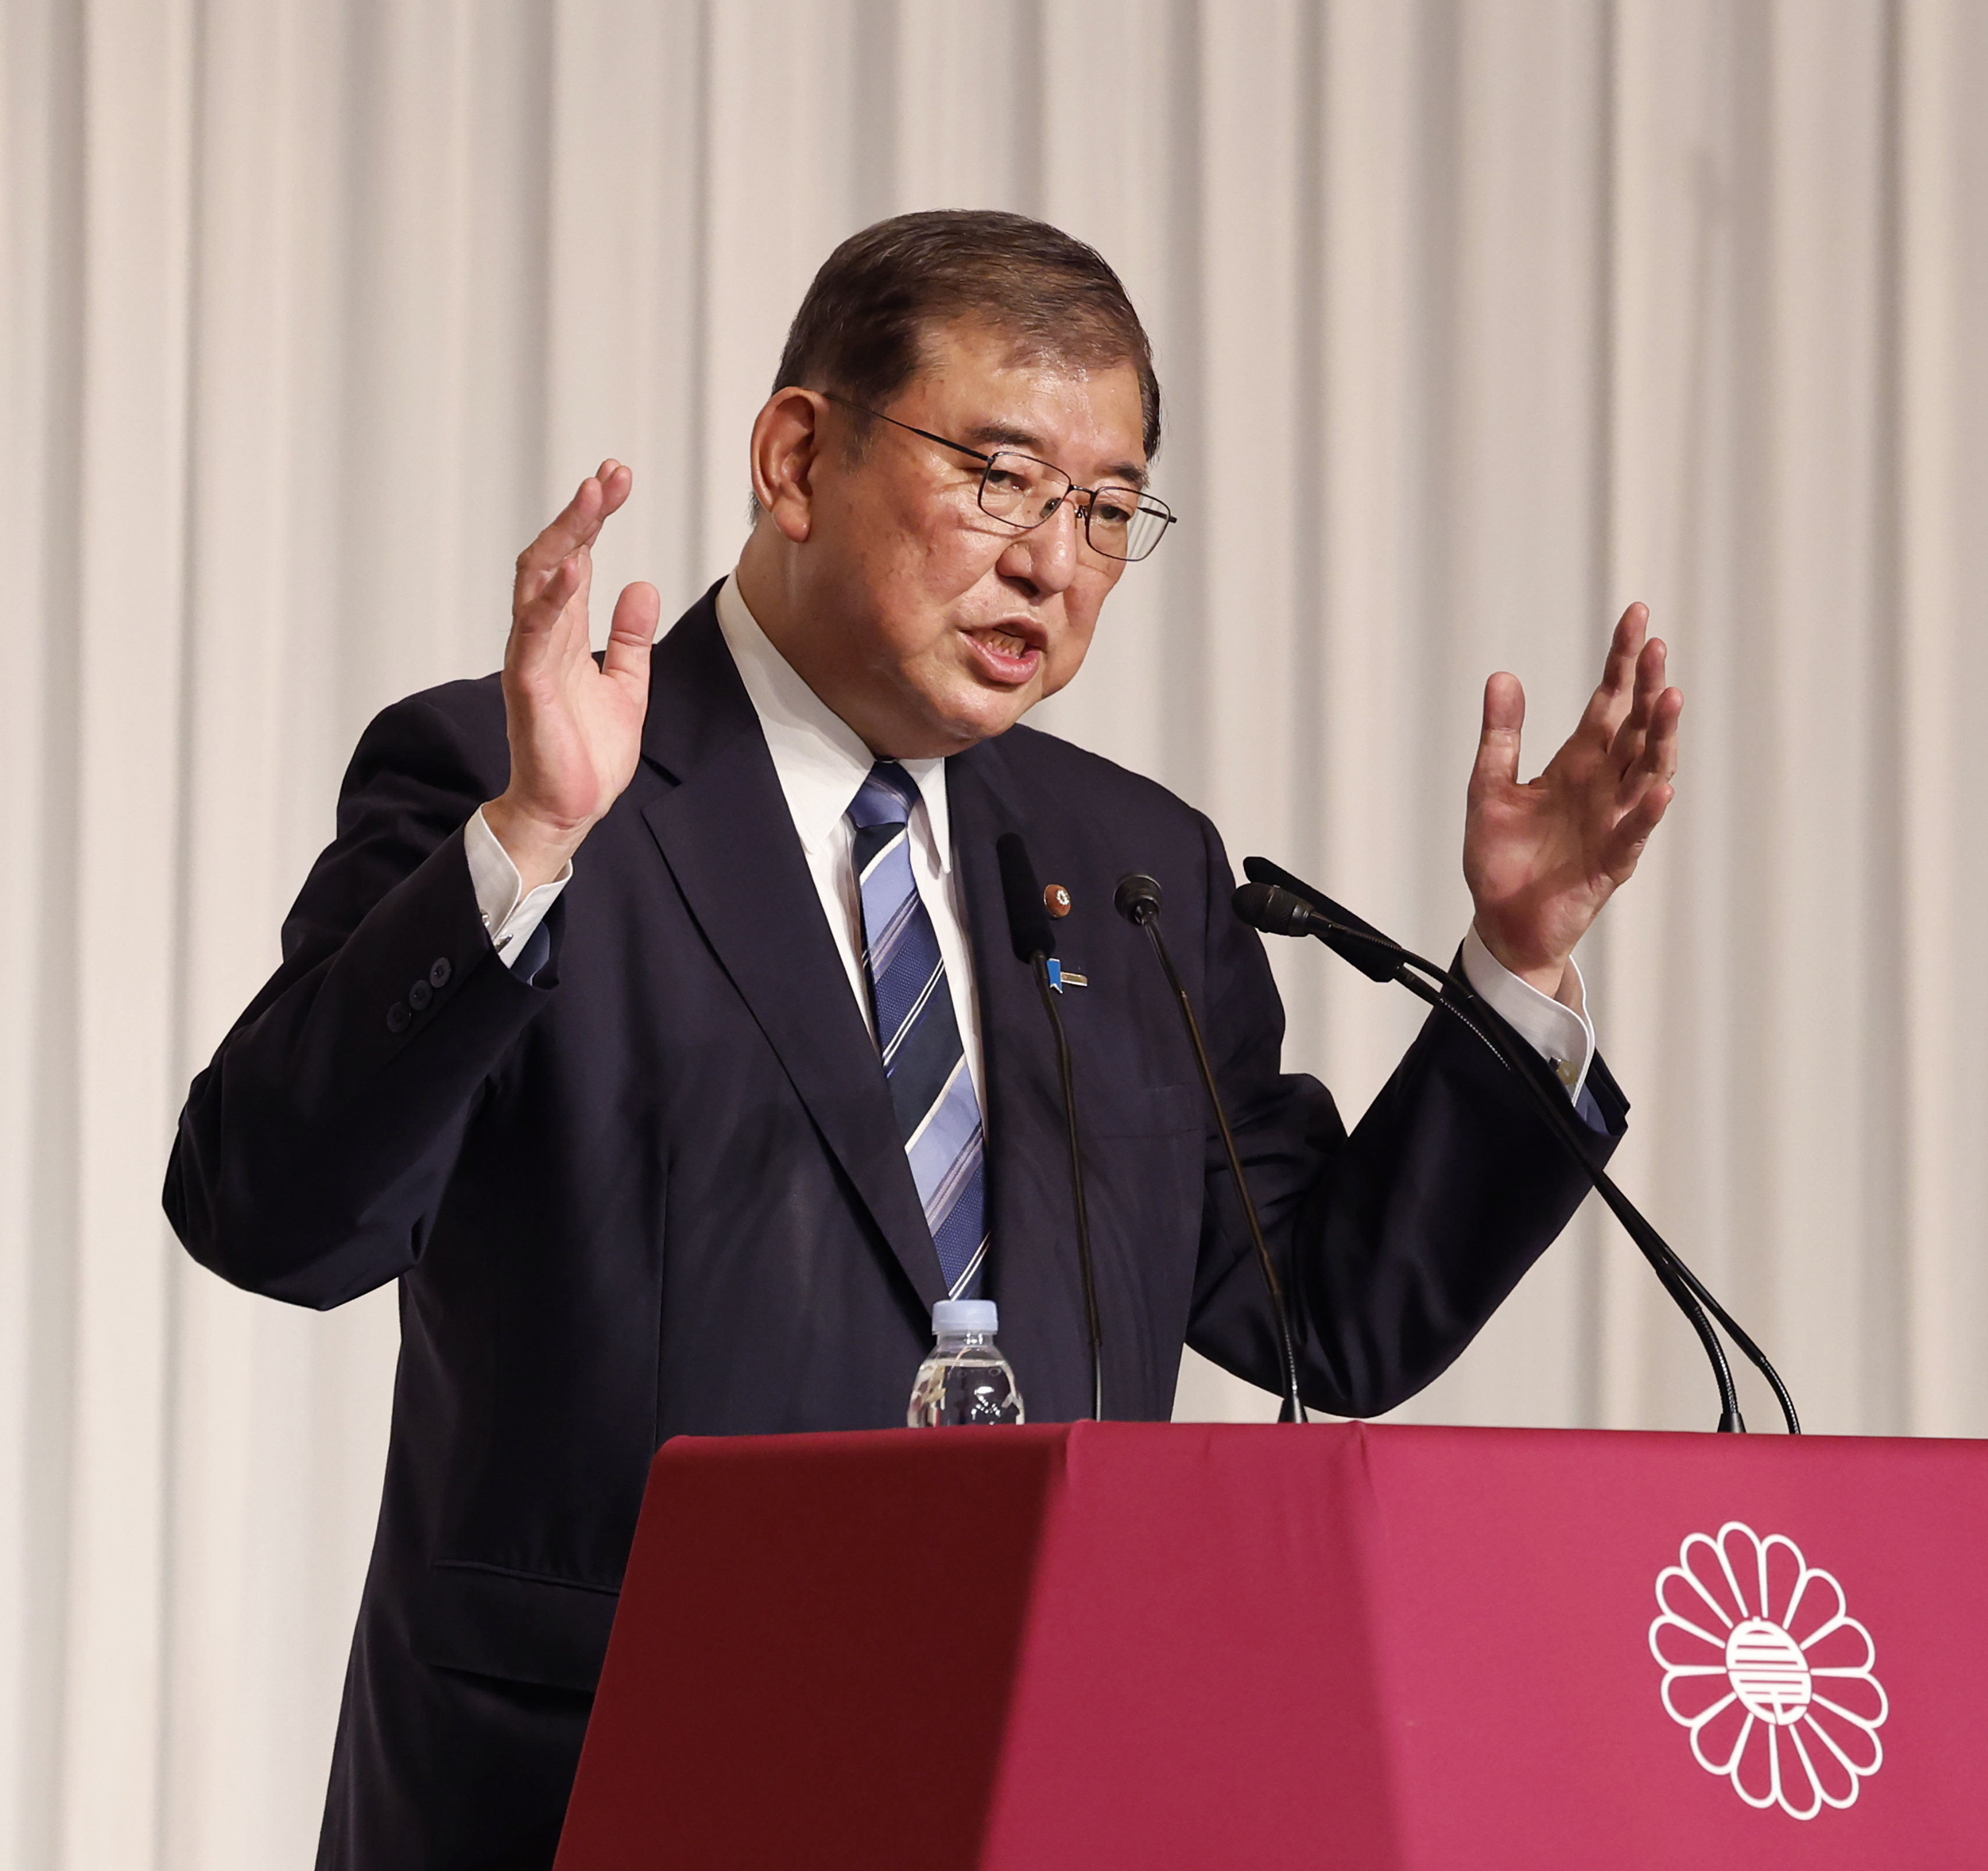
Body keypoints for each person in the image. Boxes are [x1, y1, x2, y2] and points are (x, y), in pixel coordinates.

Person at [164, 211, 1681, 1871]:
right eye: (1002, 478)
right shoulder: (518, 776)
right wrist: (527, 837)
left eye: (1109, 510)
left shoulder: (1132, 870)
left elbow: (1327, 1304)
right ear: (798, 457)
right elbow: (273, 1217)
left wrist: (1522, 961)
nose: (1054, 559)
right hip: (599, 1801)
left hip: (1039, 1798)